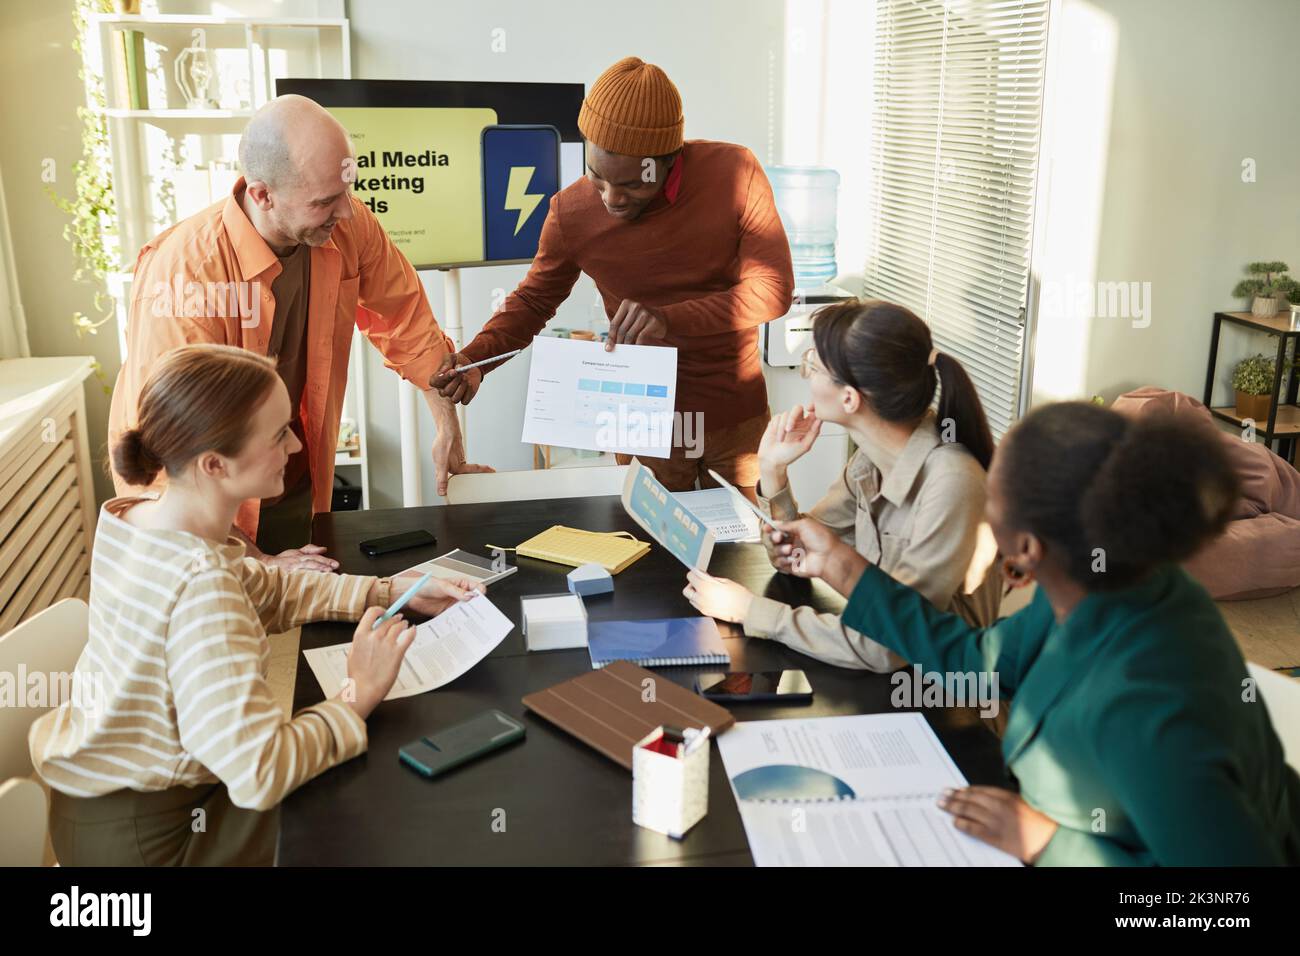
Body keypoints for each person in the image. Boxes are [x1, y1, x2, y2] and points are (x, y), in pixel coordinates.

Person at [770, 400, 1300, 865]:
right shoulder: (1098, 583)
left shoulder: (1155, 714)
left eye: (991, 496)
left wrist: (1044, 842)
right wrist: (838, 561)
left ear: (1024, 550)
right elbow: (977, 662)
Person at [31, 345, 482, 865]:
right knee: (366, 811)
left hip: (94, 805)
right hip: (151, 843)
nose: (295, 444)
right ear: (215, 464)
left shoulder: (139, 523)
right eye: (278, 435)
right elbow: (259, 771)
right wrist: (356, 693)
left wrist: (386, 590)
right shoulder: (200, 585)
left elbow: (265, 587)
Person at [108, 94, 490, 570]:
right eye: (325, 201)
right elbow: (177, 456)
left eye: (346, 194)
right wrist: (258, 564)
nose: (347, 213)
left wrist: (446, 425)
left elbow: (407, 322)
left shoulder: (345, 226)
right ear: (263, 194)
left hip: (293, 481)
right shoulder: (186, 274)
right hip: (199, 516)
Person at [431, 56, 795, 497]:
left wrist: (668, 318)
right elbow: (533, 302)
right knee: (652, 553)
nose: (611, 199)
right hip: (640, 422)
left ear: (669, 160)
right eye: (597, 177)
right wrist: (475, 361)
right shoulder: (571, 212)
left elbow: (772, 291)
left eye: (632, 185)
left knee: (745, 553)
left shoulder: (733, 174)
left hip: (735, 417)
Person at [683, 300, 1000, 671]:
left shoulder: (952, 483)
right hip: (881, 679)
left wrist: (753, 612)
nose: (805, 376)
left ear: (849, 398)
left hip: (945, 699)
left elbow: (888, 646)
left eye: (812, 366)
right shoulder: (870, 459)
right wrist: (772, 470)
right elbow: (796, 556)